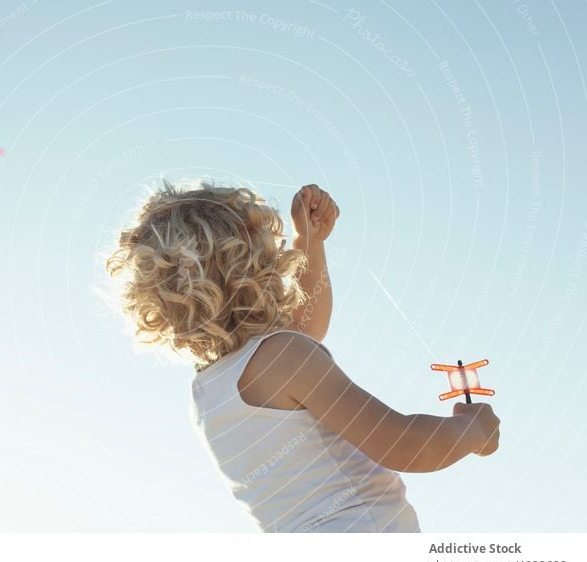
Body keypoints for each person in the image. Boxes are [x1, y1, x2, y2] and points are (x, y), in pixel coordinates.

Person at [105, 181, 500, 532]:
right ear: (255, 265)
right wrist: (472, 432)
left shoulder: (209, 393)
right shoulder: (283, 357)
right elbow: (403, 444)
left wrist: (310, 240)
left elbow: (305, 327)